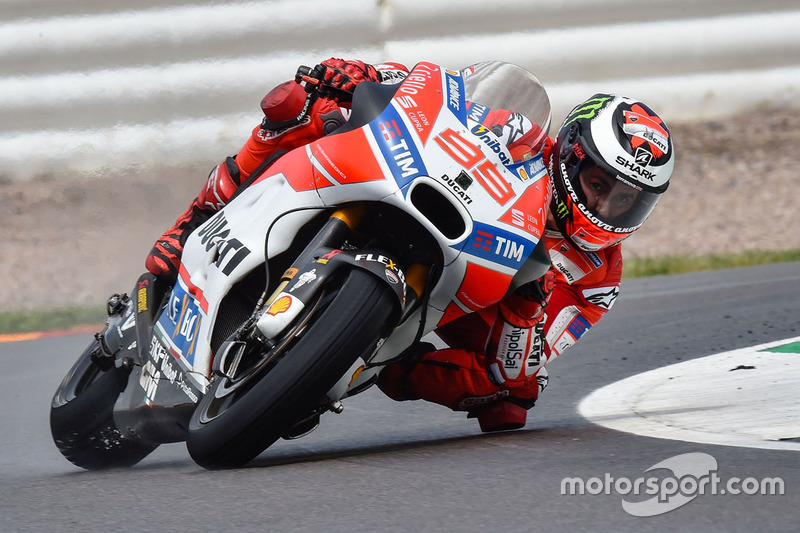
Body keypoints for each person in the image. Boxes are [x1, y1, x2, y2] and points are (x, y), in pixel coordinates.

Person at [145, 58, 674, 433]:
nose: (605, 205)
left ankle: (370, 360)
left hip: (481, 301)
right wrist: (363, 76)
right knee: (306, 106)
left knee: (512, 397)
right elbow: (440, 97)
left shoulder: (597, 277)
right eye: (599, 185)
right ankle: (192, 221)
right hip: (438, 204)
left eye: (625, 201)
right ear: (571, 155)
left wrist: (526, 313)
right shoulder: (526, 138)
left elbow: (520, 364)